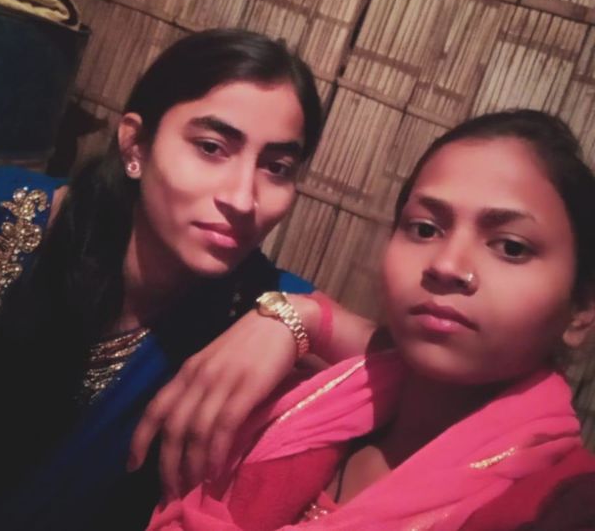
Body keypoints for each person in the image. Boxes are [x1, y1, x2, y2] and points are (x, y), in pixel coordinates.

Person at [0, 28, 336, 531]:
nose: (244, 199)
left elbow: (404, 371)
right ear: (135, 143)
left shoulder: (258, 303)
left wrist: (301, 318)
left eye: (277, 167)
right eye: (211, 147)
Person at [145, 109, 595, 531]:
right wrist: (293, 315)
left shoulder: (563, 505)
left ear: (582, 309)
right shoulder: (294, 404)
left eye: (511, 247)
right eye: (425, 229)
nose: (446, 265)